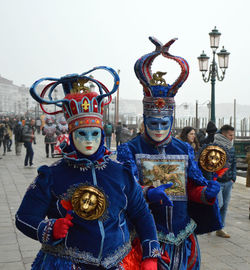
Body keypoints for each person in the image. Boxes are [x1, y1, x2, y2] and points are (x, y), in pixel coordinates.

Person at [16, 67, 161, 270]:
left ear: (102, 134)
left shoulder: (121, 173)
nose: (90, 141)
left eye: (95, 134)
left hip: (118, 262)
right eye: (82, 134)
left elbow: (141, 213)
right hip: (66, 263)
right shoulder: (51, 175)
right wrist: (48, 229)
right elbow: (24, 217)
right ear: (72, 134)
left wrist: (150, 255)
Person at [117, 37, 222, 269]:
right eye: (153, 123)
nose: (159, 129)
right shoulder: (130, 150)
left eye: (164, 123)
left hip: (184, 240)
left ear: (171, 120)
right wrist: (146, 193)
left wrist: (207, 193)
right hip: (144, 240)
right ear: (145, 120)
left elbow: (190, 188)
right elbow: (123, 192)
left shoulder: (182, 148)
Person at [213, 124, 236, 238]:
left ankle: (220, 228)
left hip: (228, 181)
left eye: (233, 135)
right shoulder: (215, 145)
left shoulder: (231, 146)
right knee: (219, 204)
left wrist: (233, 178)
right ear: (223, 134)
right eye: (230, 135)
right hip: (218, 181)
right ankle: (211, 223)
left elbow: (234, 163)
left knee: (225, 205)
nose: (232, 137)